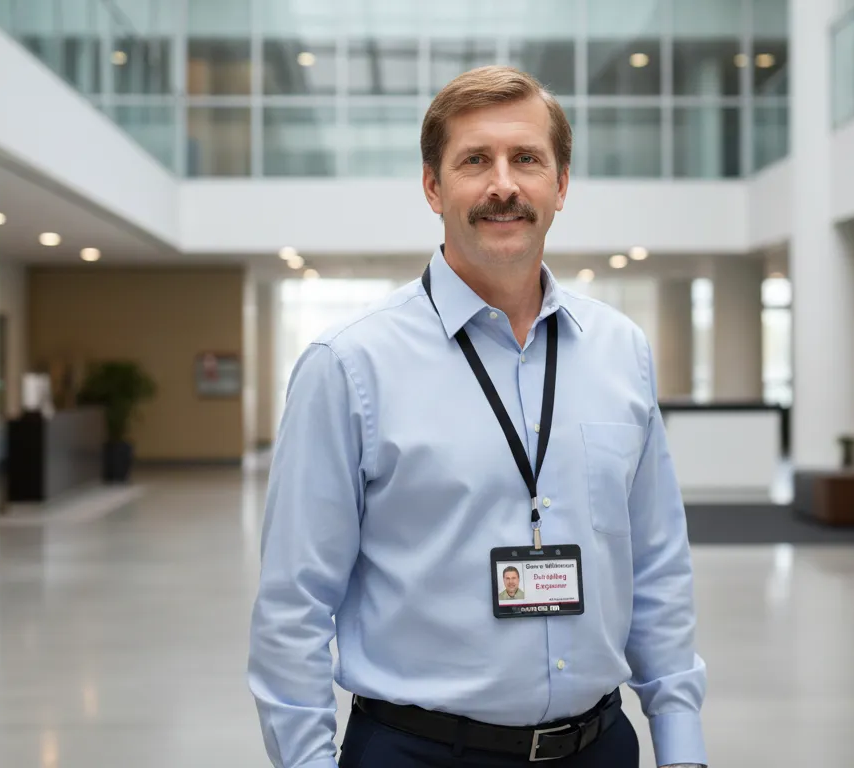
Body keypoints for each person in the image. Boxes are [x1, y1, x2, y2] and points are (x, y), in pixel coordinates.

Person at [248, 65, 707, 768]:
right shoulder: (349, 365)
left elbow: (658, 569)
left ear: (561, 184)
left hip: (600, 747)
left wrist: (681, 748)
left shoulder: (622, 352)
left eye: (527, 159)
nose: (504, 185)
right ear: (433, 187)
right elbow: (292, 608)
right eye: (474, 161)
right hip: (420, 751)